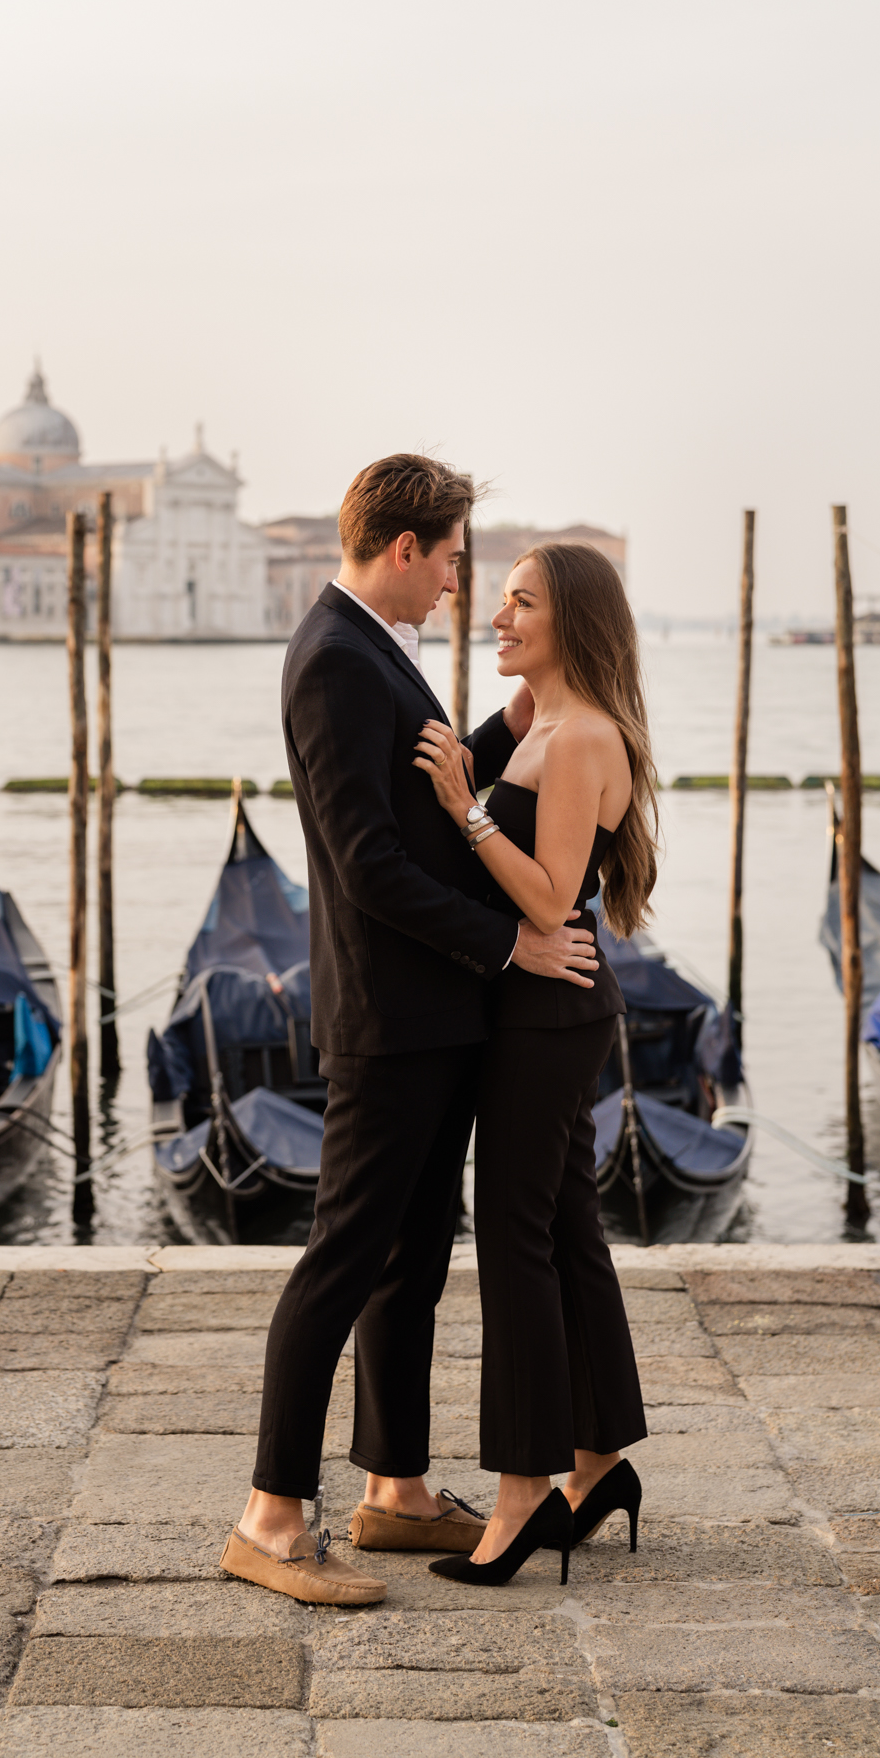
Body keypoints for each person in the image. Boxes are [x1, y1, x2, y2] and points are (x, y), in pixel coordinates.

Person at [220, 456, 604, 1606]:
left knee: (410, 1265)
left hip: (432, 1015)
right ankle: (271, 1521)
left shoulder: (369, 649)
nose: (454, 584)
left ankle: (393, 1488)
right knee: (346, 1258)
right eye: (446, 559)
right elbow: (368, 860)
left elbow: (422, 780)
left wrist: (508, 720)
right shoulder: (336, 658)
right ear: (403, 550)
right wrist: (511, 946)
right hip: (392, 1015)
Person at [413, 540, 657, 1588]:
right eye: (500, 599)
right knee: (563, 1224)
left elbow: (554, 899)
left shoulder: (579, 738)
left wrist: (464, 810)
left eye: (521, 604)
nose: (498, 617)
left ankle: (522, 1494)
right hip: (542, 1005)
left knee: (513, 1232)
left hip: (548, 1011)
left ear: (574, 622)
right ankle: (598, 1460)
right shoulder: (545, 727)